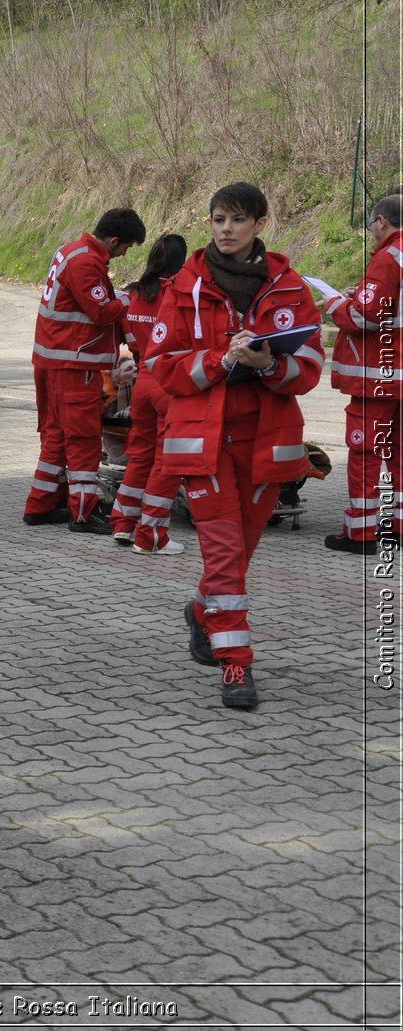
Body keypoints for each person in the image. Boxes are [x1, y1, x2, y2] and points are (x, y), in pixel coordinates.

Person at [148, 182, 324, 709]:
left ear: (258, 225)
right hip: (203, 442)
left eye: (237, 220)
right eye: (218, 219)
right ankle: (236, 665)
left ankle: (203, 613)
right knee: (224, 555)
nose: (225, 229)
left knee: (240, 554)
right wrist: (221, 361)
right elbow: (160, 368)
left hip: (267, 444)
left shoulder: (291, 288)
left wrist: (268, 364)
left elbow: (310, 368)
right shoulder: (182, 286)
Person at [24, 207, 146, 533]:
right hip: (76, 364)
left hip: (55, 361)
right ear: (115, 240)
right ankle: (82, 513)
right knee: (84, 440)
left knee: (56, 437)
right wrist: (128, 301)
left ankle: (41, 504)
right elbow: (102, 312)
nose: (123, 254)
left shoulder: (71, 251)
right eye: (126, 247)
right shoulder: (86, 263)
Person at [320, 192, 402, 556]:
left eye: (371, 224)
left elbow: (364, 317)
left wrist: (338, 303)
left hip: (378, 376)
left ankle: (363, 532)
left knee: (366, 451)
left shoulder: (388, 258)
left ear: (381, 221)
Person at [109, 234, 189, 555]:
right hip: (170, 384)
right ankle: (152, 535)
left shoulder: (133, 295)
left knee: (140, 456)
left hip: (140, 384)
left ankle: (123, 524)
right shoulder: (179, 294)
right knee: (166, 462)